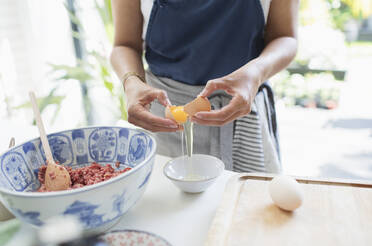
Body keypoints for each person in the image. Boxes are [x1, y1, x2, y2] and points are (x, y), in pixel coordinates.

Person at [110, 0, 299, 173]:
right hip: (166, 121)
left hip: (242, 114)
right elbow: (124, 44)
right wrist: (132, 82)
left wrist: (255, 73)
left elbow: (285, 37)